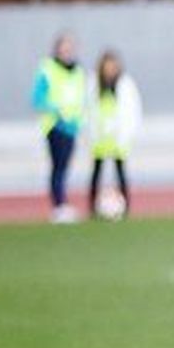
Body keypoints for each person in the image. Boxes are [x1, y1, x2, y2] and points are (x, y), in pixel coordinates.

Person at [32, 32, 86, 224]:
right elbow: (37, 99)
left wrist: (81, 122)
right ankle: (59, 205)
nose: (67, 52)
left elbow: (81, 98)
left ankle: (62, 203)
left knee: (65, 167)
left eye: (69, 48)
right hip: (55, 125)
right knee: (58, 167)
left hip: (72, 126)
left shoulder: (78, 71)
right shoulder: (47, 69)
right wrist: (57, 110)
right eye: (63, 48)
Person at [85, 50, 142, 221]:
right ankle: (92, 207)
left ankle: (125, 206)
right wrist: (89, 133)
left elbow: (133, 110)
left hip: (118, 138)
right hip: (100, 137)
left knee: (120, 171)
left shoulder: (125, 85)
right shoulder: (94, 84)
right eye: (107, 66)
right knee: (97, 171)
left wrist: (129, 133)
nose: (109, 69)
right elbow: (88, 109)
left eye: (112, 66)